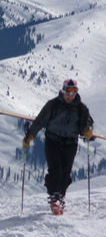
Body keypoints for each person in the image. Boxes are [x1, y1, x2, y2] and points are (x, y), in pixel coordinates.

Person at [23, 79, 93, 214]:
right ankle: (54, 197)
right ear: (63, 90)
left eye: (74, 91)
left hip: (70, 143)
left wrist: (87, 131)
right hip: (53, 141)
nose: (70, 95)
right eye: (68, 91)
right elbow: (40, 121)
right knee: (56, 170)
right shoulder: (53, 105)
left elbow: (86, 124)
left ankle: (61, 197)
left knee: (66, 172)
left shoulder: (82, 109)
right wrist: (30, 136)